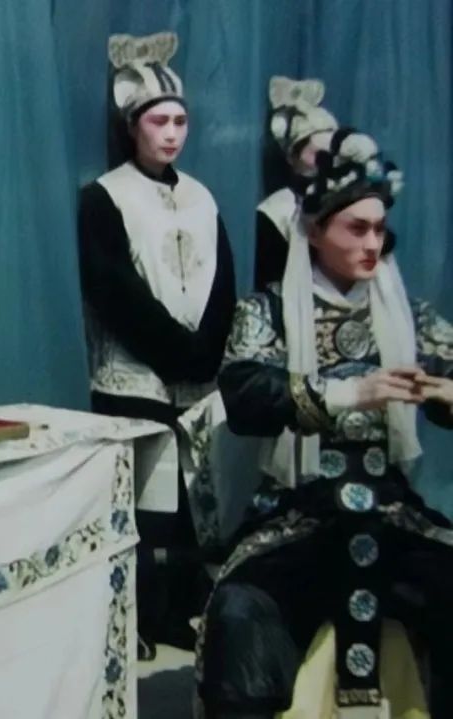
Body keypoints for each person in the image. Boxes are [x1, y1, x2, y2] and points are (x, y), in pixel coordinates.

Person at [197, 130, 453, 717]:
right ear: (314, 231)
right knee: (241, 609)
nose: (372, 244)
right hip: (297, 511)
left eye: (379, 230)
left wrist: (445, 392)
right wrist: (348, 393)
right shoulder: (268, 312)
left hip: (390, 507)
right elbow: (245, 395)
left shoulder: (407, 316)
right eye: (356, 229)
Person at [77, 31, 236, 658]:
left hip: (197, 376)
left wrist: (205, 351)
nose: (171, 134)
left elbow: (223, 281)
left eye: (180, 122)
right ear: (132, 126)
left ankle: (178, 611)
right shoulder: (105, 196)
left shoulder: (202, 197)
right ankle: (135, 615)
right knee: (143, 505)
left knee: (192, 503)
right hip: (135, 378)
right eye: (158, 121)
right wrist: (173, 351)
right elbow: (113, 288)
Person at [254, 75, 339, 290]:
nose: (327, 162)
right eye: (317, 154)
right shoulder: (277, 212)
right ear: (292, 158)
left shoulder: (346, 200)